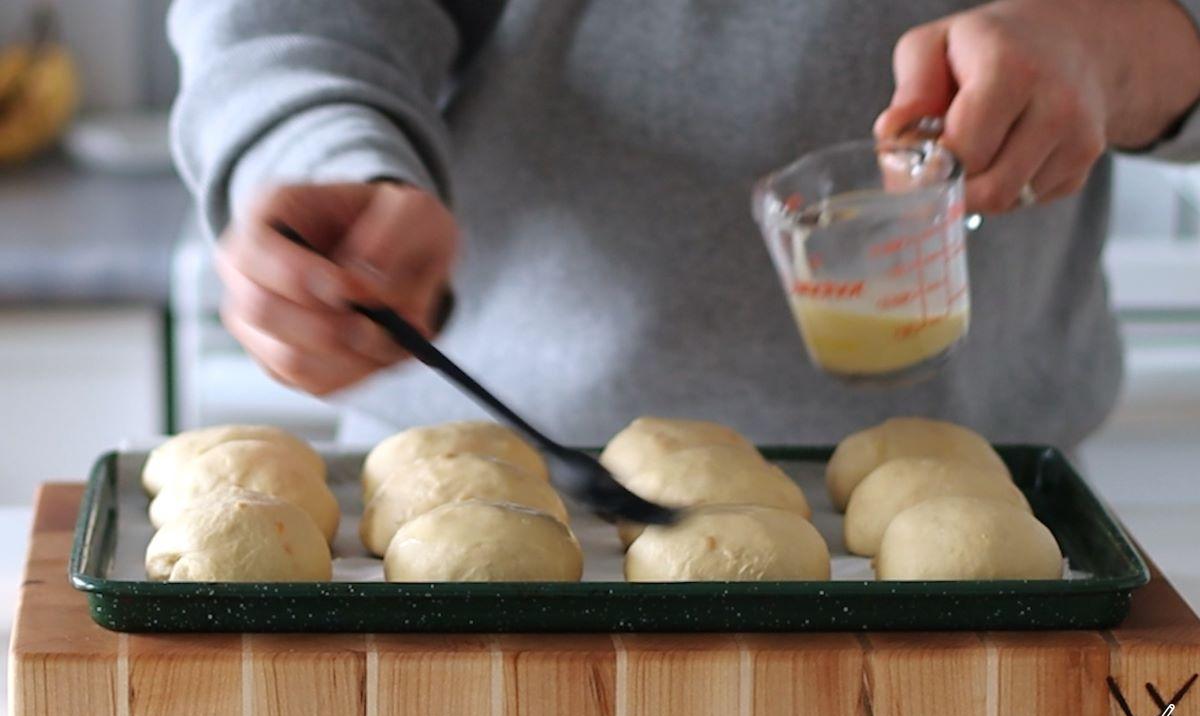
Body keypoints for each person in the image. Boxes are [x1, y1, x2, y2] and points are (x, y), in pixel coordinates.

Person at [169, 0, 1200, 448]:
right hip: (484, 484)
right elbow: (295, 23)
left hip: (993, 515)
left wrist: (1113, 47)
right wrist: (326, 169)